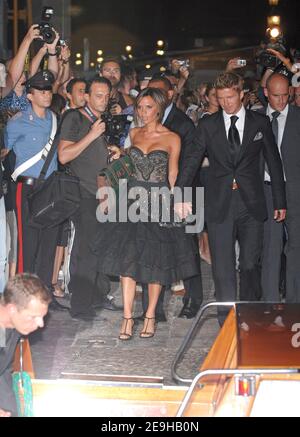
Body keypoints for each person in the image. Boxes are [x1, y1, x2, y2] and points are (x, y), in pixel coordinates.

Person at [175, 72, 286, 325]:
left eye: (230, 97)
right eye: (221, 98)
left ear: (241, 94)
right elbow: (192, 160)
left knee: (249, 264)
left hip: (251, 204)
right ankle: (226, 323)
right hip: (219, 203)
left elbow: (274, 161)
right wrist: (181, 193)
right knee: (222, 269)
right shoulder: (208, 125)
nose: (225, 103)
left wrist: (280, 201)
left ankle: (249, 315)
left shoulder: (260, 123)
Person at [93, 87, 200, 340]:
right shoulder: (133, 132)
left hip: (159, 200)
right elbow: (129, 166)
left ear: (159, 109)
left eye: (148, 107)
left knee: (156, 262)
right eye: (140, 107)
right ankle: (128, 317)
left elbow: (173, 174)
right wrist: (121, 158)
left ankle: (150, 315)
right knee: (127, 262)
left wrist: (178, 199)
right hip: (131, 200)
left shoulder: (172, 137)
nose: (143, 112)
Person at [58, 77, 121, 320]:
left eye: (106, 96)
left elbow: (94, 156)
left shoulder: (101, 120)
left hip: (101, 192)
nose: (103, 100)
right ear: (86, 96)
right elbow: (64, 156)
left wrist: (113, 154)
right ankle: (80, 306)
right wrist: (92, 135)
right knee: (85, 250)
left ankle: (94, 298)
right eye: (98, 95)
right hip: (83, 193)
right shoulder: (75, 117)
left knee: (97, 249)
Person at [4, 71, 60, 305]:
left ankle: (45, 292)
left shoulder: (55, 119)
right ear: (30, 95)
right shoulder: (17, 123)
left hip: (50, 186)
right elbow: (5, 153)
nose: (46, 95)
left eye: (48, 90)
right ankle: (26, 295)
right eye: (41, 91)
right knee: (28, 242)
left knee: (49, 239)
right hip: (26, 188)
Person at [261, 73, 300, 303]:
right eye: (276, 96)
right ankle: (269, 303)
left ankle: (295, 305)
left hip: (295, 192)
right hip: (266, 192)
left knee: (296, 248)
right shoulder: (255, 119)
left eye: (286, 95)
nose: (282, 101)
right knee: (270, 248)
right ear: (266, 92)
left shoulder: (298, 118)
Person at [0, 273, 51, 417]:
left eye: (42, 317)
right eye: (33, 317)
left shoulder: (11, 323)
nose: (40, 324)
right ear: (12, 309)